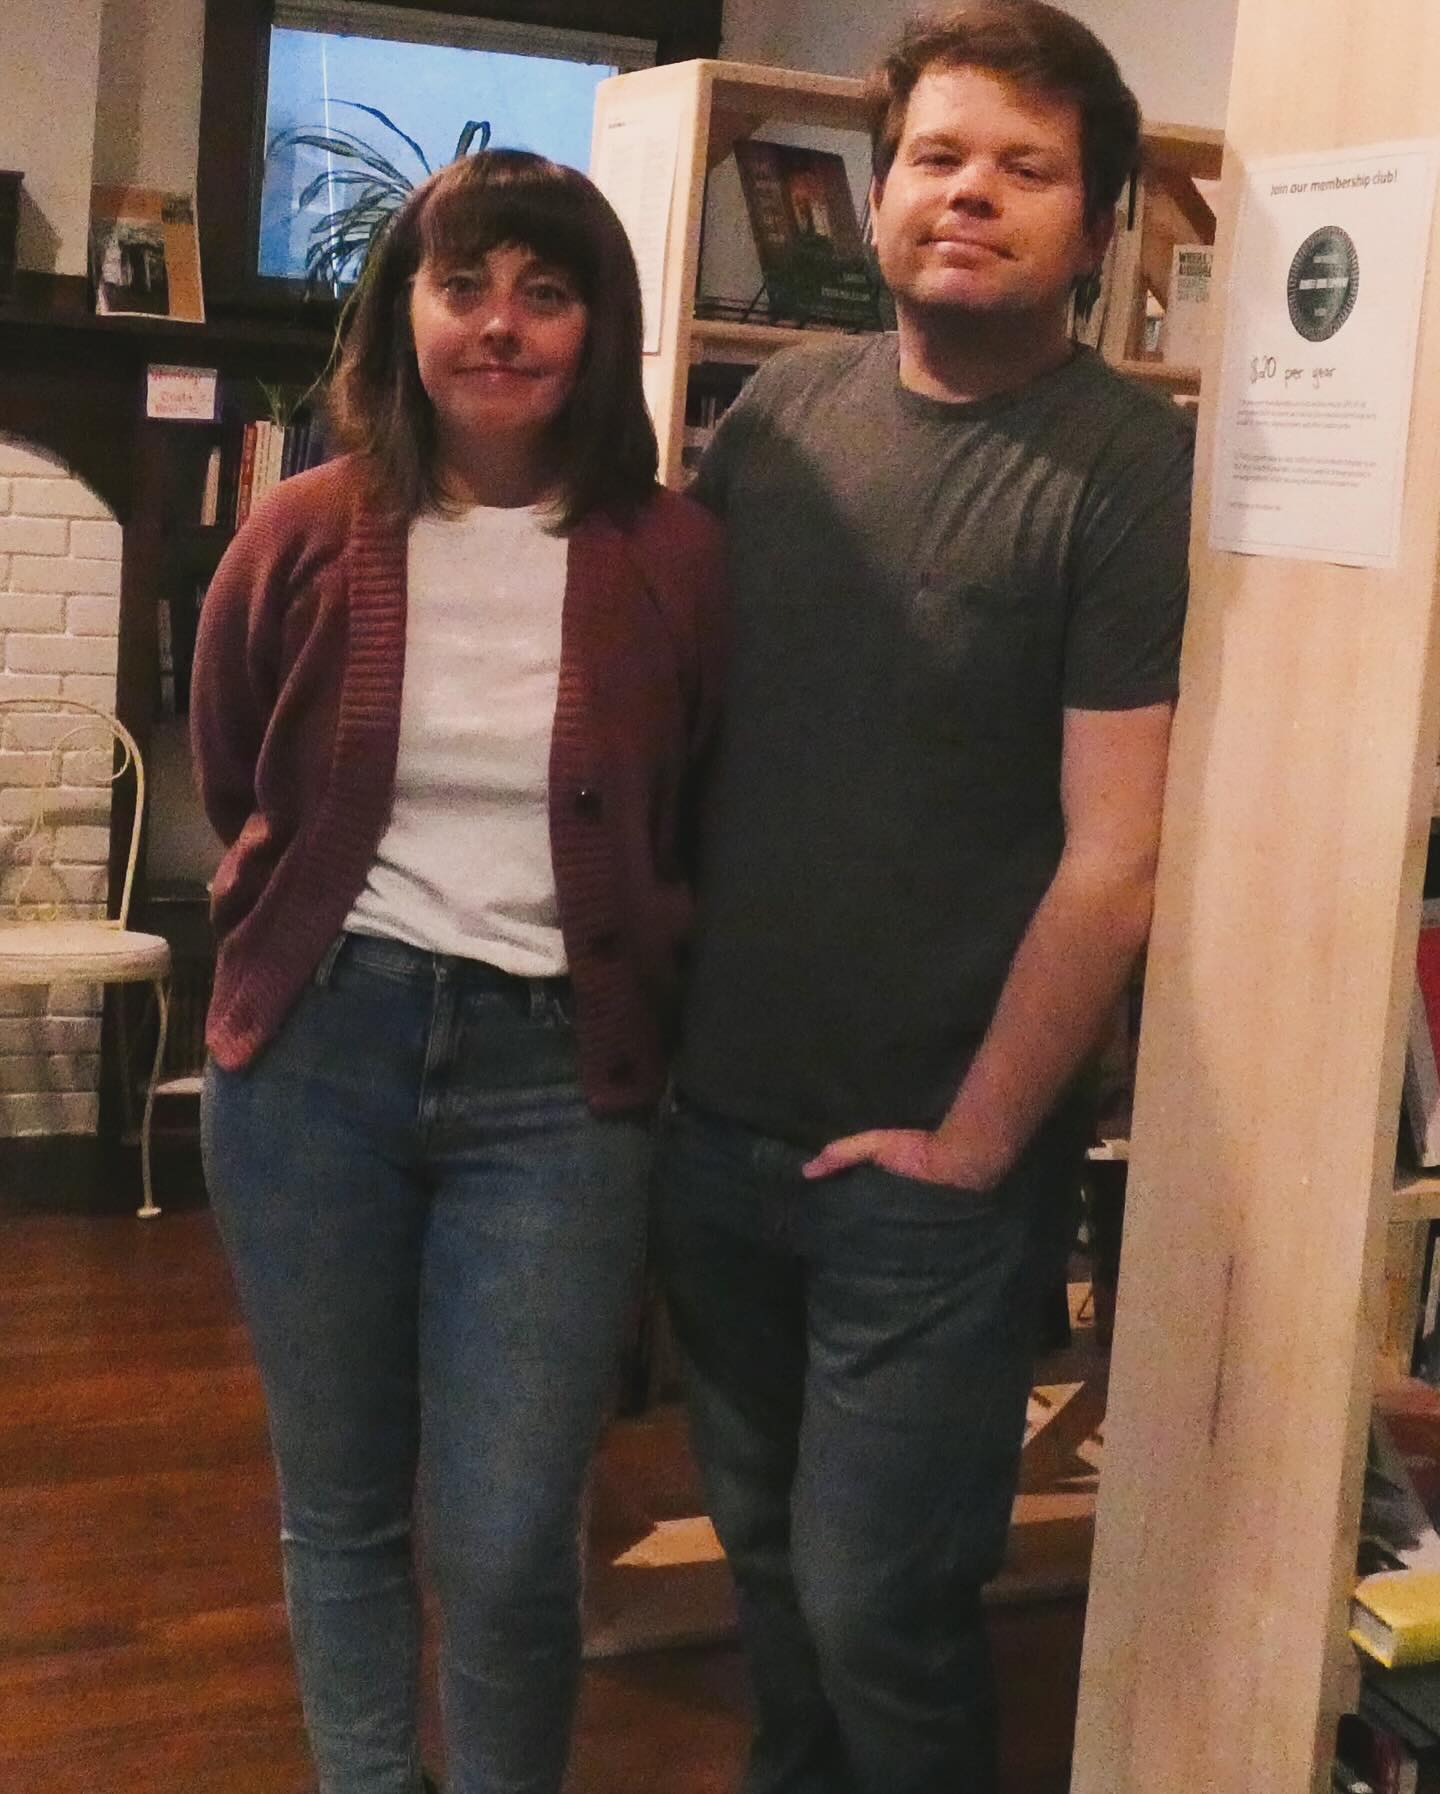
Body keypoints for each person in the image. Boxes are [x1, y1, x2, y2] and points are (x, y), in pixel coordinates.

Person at [656, 5, 1194, 1792]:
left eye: (1026, 168)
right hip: (714, 1125)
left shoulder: (1128, 468)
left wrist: (973, 1146)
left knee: (886, 1598)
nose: (970, 194)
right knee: (768, 1561)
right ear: (878, 190)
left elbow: (1119, 851)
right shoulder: (777, 420)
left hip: (934, 1169)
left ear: (1097, 222)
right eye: (938, 157)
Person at [191, 148, 725, 1794]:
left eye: (545, 292)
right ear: (405, 311)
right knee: (340, 1498)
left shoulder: (674, 557)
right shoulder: (301, 531)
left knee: (505, 1539)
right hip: (316, 1063)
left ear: (597, 324)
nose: (500, 327)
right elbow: (240, 775)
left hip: (558, 1094)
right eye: (463, 286)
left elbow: (689, 802)